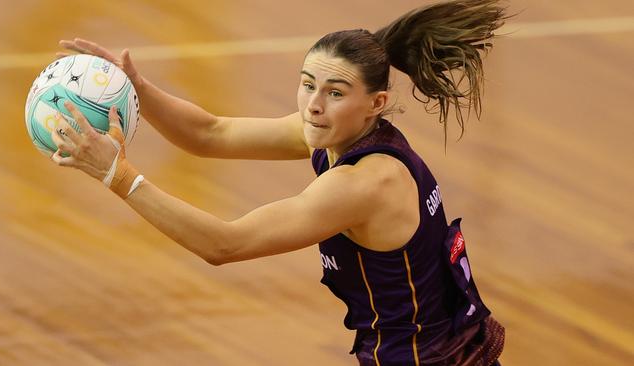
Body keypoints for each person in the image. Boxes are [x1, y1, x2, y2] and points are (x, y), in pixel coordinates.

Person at [51, 0, 509, 364]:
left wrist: (118, 175)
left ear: (377, 103)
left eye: (335, 92)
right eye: (307, 84)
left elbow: (224, 245)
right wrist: (138, 90)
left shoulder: (364, 185)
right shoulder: (338, 132)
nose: (313, 104)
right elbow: (210, 133)